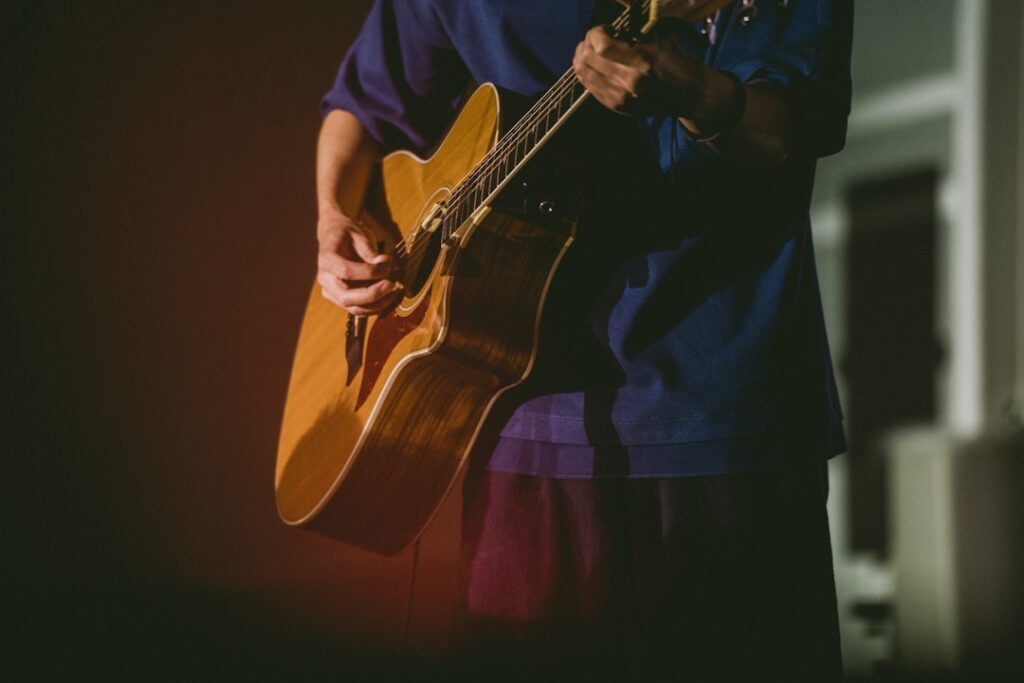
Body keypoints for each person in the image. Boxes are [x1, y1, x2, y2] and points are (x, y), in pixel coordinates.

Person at [316, 0, 852, 679]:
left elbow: (790, 122)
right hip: (509, 411)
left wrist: (695, 93)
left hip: (721, 413)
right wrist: (333, 217)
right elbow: (363, 106)